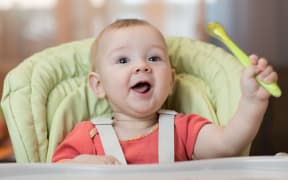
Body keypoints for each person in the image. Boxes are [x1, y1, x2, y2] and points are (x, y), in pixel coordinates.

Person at [52, 19, 278, 164]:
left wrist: (252, 101)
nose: (142, 66)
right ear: (98, 86)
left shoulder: (183, 129)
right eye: (123, 60)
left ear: (170, 81)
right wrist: (83, 166)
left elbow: (228, 144)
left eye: (153, 58)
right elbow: (55, 172)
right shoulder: (87, 136)